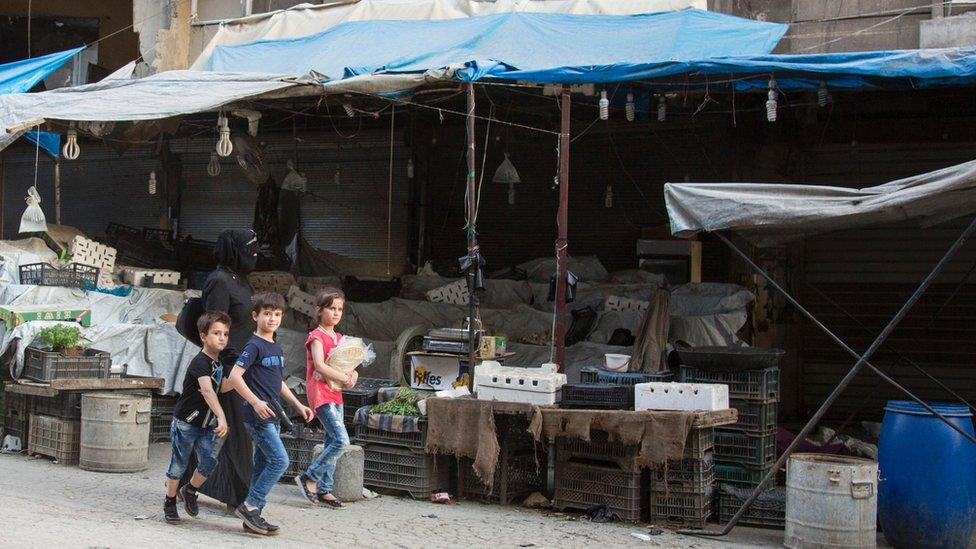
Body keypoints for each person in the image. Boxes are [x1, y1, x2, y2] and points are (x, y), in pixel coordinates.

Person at [227, 292, 314, 535]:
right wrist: (254, 402)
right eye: (267, 314)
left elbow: (279, 382)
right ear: (255, 316)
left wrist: (298, 405)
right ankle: (250, 506)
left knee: (262, 465)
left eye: (277, 314)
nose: (272, 318)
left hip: (273, 415)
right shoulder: (253, 345)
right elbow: (234, 377)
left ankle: (252, 519)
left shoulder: (274, 345)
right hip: (259, 417)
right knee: (280, 461)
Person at [184, 229, 259, 509]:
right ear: (235, 251)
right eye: (250, 249)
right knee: (237, 432)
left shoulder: (240, 280)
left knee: (219, 431)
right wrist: (221, 369)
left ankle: (194, 485)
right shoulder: (218, 281)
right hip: (225, 369)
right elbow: (215, 327)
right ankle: (242, 497)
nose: (254, 255)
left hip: (242, 364)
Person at [164, 311, 232, 524]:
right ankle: (170, 502)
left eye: (225, 334)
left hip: (206, 425)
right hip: (186, 422)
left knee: (209, 463)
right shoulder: (200, 362)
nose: (222, 338)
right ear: (203, 336)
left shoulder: (217, 364)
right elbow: (207, 391)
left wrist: (242, 374)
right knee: (179, 464)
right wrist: (221, 417)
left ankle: (191, 490)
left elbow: (221, 387)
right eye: (216, 333)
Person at [295, 287, 355, 508]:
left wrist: (353, 373)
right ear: (320, 311)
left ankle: (324, 489)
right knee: (341, 440)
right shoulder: (316, 336)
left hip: (335, 392)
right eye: (331, 308)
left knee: (331, 440)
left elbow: (347, 363)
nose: (336, 313)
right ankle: (309, 476)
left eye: (340, 309)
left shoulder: (338, 337)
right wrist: (343, 376)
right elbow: (319, 365)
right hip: (320, 393)